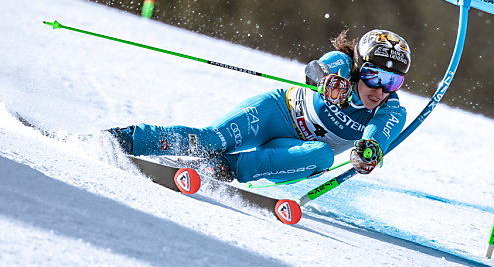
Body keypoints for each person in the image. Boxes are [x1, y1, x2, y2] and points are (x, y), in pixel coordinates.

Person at [108, 29, 411, 183]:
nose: (381, 89)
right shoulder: (343, 66)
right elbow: (315, 68)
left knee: (321, 156)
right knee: (210, 140)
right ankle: (125, 138)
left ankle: (225, 169)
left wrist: (368, 152)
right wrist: (326, 82)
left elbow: (377, 136)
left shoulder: (391, 109)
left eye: (393, 82)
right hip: (277, 113)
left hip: (294, 150)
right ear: (359, 66)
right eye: (374, 76)